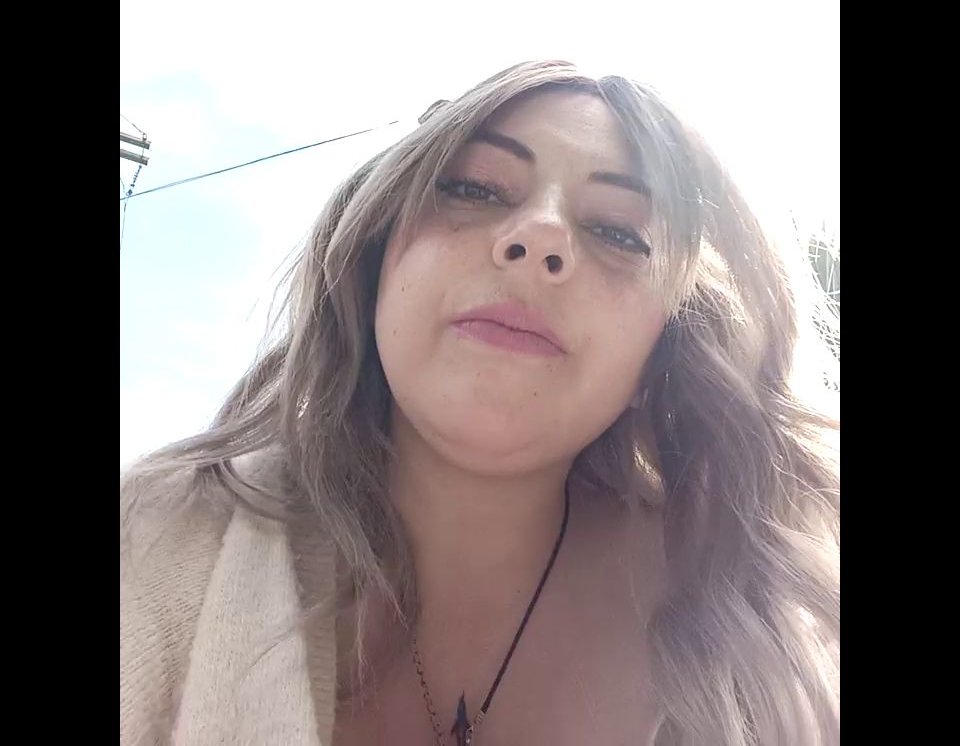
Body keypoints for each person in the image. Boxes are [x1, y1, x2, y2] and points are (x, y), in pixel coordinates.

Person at [120, 60, 840, 746]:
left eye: (619, 232)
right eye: (475, 188)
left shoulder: (772, 638)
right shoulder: (154, 538)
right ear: (374, 262)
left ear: (664, 353)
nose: (541, 235)